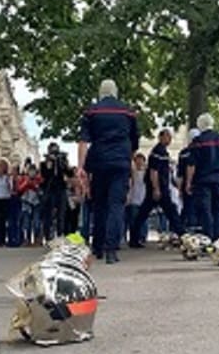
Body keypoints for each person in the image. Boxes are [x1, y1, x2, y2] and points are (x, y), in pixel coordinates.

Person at [78, 79, 139, 264]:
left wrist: (81, 167)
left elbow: (83, 142)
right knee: (116, 206)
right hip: (120, 163)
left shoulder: (91, 112)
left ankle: (97, 246)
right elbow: (134, 143)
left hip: (99, 162)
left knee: (100, 205)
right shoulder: (128, 112)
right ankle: (111, 250)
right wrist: (128, 162)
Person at [129, 129, 185, 248]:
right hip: (159, 188)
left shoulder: (162, 152)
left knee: (144, 213)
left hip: (160, 187)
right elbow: (153, 171)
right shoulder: (157, 152)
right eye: (167, 137)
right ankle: (182, 235)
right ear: (160, 137)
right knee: (171, 212)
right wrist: (156, 188)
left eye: (170, 137)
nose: (169, 140)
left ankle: (134, 238)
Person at [185, 113, 219, 240]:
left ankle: (208, 238)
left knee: (205, 211)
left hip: (202, 180)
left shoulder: (197, 142)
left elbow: (192, 164)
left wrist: (188, 182)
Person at [40, 142, 71, 241]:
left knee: (61, 214)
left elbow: (69, 173)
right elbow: (45, 175)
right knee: (48, 214)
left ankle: (60, 234)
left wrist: (64, 163)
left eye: (56, 150)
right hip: (50, 190)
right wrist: (49, 164)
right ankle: (48, 236)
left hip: (61, 190)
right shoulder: (44, 163)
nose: (54, 153)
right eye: (52, 150)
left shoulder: (62, 161)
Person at [177, 129, 201, 233]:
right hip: (200, 183)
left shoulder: (183, 153)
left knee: (187, 207)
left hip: (187, 184)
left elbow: (180, 173)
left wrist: (180, 188)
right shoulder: (201, 150)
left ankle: (183, 229)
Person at [18, 164, 44, 246]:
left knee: (37, 222)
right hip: (26, 203)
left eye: (33, 171)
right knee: (27, 223)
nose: (32, 173)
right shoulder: (23, 179)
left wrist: (34, 185)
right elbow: (19, 189)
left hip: (36, 203)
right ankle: (27, 239)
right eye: (30, 171)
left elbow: (41, 191)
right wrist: (26, 183)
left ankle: (37, 239)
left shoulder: (39, 179)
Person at [126, 153, 148, 244]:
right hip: (133, 199)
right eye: (137, 161)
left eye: (141, 160)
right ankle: (134, 237)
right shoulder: (131, 174)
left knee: (143, 219)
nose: (139, 163)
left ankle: (142, 236)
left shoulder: (146, 173)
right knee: (133, 220)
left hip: (144, 198)